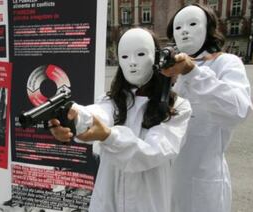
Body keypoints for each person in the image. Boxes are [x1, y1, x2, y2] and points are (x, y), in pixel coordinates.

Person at [49, 28, 192, 212]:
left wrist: (109, 136)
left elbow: (153, 152)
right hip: (108, 200)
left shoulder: (178, 107)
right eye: (124, 57)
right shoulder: (112, 100)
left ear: (157, 57)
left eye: (140, 54)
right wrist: (74, 117)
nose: (132, 63)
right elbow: (98, 113)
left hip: (148, 202)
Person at [162, 4, 253, 212]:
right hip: (166, 181)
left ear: (208, 28)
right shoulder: (167, 71)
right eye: (178, 27)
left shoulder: (225, 63)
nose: (184, 30)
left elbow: (239, 110)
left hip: (203, 180)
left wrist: (193, 73)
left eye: (192, 24)